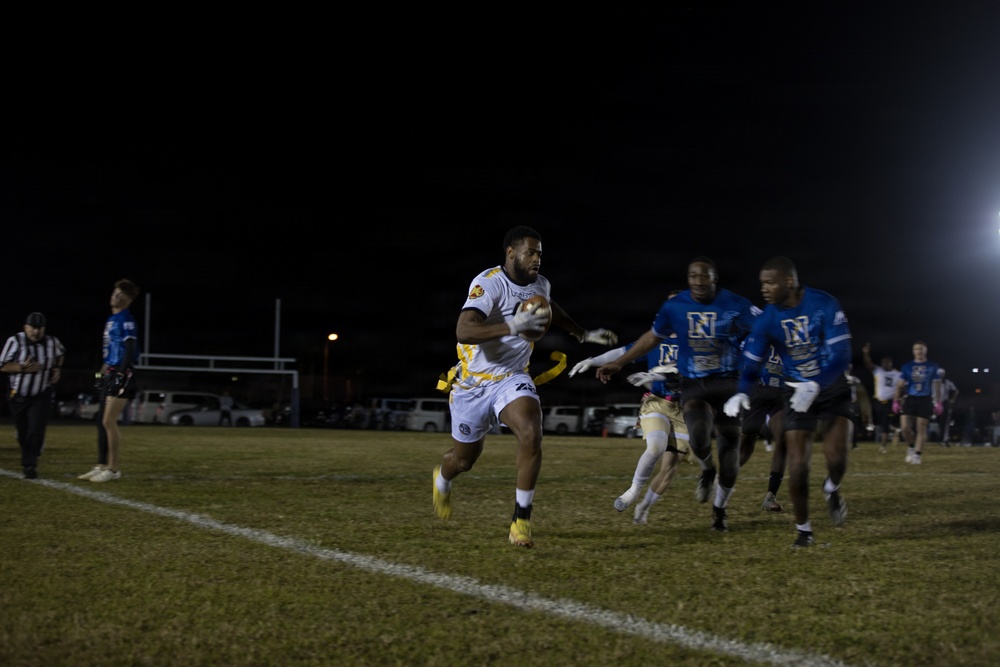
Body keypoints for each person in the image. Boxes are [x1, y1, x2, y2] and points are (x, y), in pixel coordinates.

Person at [431, 226, 618, 548]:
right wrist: (511, 326)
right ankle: (442, 479)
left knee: (532, 432)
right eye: (531, 252)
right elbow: (464, 330)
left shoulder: (541, 285)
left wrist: (581, 334)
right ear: (510, 253)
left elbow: (549, 308)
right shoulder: (488, 282)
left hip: (512, 376)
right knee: (463, 461)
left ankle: (521, 520)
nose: (537, 259)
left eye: (540, 253)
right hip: (473, 384)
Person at [596, 256, 759, 533]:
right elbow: (651, 338)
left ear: (714, 278)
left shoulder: (737, 304)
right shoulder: (675, 306)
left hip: (728, 384)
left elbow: (765, 331)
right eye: (693, 276)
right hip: (694, 383)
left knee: (730, 461)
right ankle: (707, 469)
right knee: (697, 434)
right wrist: (620, 362)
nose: (698, 281)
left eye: (704, 276)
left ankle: (719, 511)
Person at [726, 256, 853, 548]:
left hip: (832, 388)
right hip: (794, 391)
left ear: (788, 281)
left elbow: (842, 356)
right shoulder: (768, 318)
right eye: (761, 283)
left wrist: (817, 385)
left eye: (769, 282)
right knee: (798, 465)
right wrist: (743, 391)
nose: (764, 289)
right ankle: (804, 531)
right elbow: (752, 363)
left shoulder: (824, 304)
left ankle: (831, 488)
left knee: (837, 459)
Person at [569, 291, 690, 516]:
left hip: (686, 408)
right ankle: (634, 491)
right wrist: (592, 360)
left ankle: (644, 507)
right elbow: (623, 352)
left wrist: (656, 375)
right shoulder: (654, 339)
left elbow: (688, 372)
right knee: (655, 447)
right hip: (657, 402)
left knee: (671, 467)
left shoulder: (694, 341)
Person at [78, 279, 141, 483]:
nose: (115, 296)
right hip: (110, 372)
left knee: (108, 421)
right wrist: (99, 376)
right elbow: (108, 355)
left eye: (120, 294)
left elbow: (130, 348)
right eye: (114, 292)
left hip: (123, 374)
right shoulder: (111, 319)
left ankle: (113, 469)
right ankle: (101, 465)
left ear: (128, 300)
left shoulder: (126, 319)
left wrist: (121, 374)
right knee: (101, 422)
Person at [0, 312, 66, 479]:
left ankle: (30, 465)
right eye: (32, 328)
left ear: (44, 329)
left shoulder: (52, 342)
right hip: (18, 394)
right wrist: (21, 368)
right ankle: (30, 448)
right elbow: (3, 365)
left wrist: (57, 368)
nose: (35, 332)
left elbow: (60, 354)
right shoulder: (15, 341)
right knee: (24, 431)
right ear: (25, 327)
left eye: (39, 328)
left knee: (35, 428)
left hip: (41, 394)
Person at [736, 345, 787, 513]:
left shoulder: (793, 327)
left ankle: (770, 496)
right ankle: (722, 478)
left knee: (783, 440)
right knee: (745, 447)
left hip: (780, 393)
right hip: (757, 390)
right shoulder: (759, 326)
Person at [893, 341, 943, 465]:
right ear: (913, 351)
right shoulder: (907, 366)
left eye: (921, 349)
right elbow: (900, 385)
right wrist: (896, 400)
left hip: (925, 399)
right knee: (905, 428)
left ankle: (917, 455)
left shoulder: (933, 366)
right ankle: (910, 447)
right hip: (910, 398)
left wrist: (938, 402)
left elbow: (937, 385)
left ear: (925, 350)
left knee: (921, 428)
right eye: (916, 349)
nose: (919, 351)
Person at [861, 343, 902, 454]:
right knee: (877, 422)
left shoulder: (897, 374)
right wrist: (866, 353)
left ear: (891, 363)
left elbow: (902, 386)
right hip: (878, 402)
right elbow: (868, 364)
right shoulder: (878, 371)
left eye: (887, 362)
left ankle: (883, 446)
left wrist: (900, 398)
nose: (885, 364)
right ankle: (894, 428)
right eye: (883, 362)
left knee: (884, 423)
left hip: (890, 402)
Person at [938, 373, 958, 445]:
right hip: (934, 402)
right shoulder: (933, 381)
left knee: (945, 422)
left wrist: (952, 400)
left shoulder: (947, 382)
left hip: (943, 402)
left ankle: (944, 439)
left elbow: (955, 391)